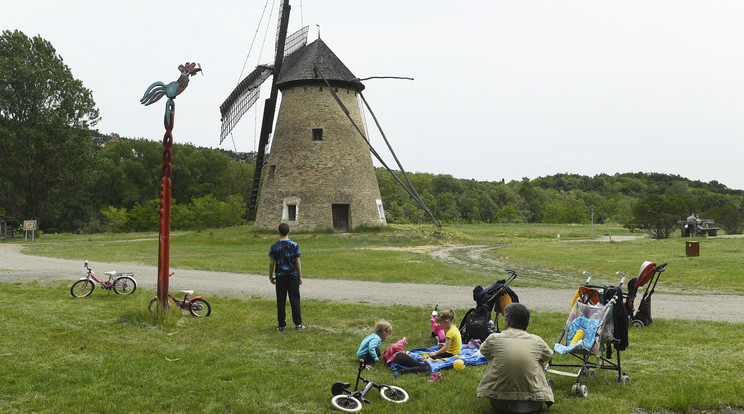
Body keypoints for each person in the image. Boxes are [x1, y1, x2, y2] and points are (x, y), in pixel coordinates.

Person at [476, 303, 554, 414]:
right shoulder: (537, 341)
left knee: (493, 357)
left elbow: (483, 351)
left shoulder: (494, 338)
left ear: (507, 321)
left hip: (499, 401)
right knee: (539, 360)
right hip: (534, 403)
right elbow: (549, 355)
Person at [269, 222, 304, 331]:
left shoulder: (274, 246)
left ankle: (281, 325)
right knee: (295, 299)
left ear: (279, 232)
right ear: (289, 231)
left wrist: (270, 275)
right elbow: (297, 262)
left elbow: (271, 263)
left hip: (280, 276)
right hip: (292, 275)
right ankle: (298, 324)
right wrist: (300, 276)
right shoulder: (294, 245)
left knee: (281, 300)